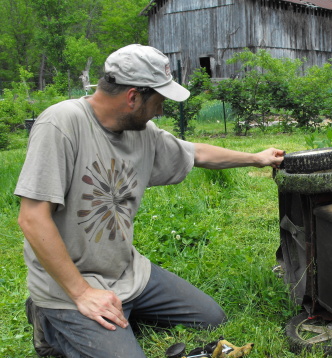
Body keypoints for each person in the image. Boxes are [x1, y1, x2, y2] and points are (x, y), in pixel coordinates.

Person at [15, 44, 285, 357]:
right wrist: (83, 292)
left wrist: (256, 158)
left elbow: (196, 152)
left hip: (127, 271)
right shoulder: (61, 124)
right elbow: (31, 218)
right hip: (69, 285)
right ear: (133, 97)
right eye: (159, 101)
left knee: (212, 318)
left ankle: (122, 311)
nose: (161, 110)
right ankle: (48, 320)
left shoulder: (142, 132)